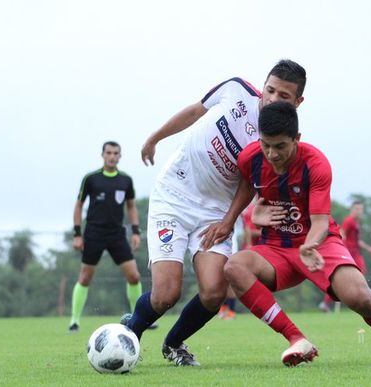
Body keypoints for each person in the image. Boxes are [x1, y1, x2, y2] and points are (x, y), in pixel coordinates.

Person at [201, 102, 371, 366]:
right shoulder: (250, 158)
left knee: (361, 299)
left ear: (297, 139)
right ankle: (296, 339)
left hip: (319, 244)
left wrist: (309, 246)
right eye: (266, 145)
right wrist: (233, 220)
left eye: (280, 146)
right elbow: (248, 186)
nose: (272, 154)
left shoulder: (316, 164)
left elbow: (320, 221)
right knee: (235, 267)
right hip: (275, 248)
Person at [123, 60, 307, 366]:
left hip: (214, 214)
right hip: (174, 197)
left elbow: (250, 183)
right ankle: (128, 334)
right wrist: (156, 137)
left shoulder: (281, 139)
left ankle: (173, 344)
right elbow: (196, 110)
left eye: (284, 97)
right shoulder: (235, 89)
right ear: (263, 85)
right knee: (165, 294)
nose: (272, 100)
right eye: (270, 90)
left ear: (298, 102)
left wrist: (228, 220)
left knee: (214, 292)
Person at [68, 141, 143, 332]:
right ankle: (74, 321)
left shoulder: (126, 180)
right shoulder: (91, 179)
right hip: (93, 233)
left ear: (120, 156)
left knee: (134, 276)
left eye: (115, 153)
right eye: (108, 152)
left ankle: (139, 318)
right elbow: (78, 206)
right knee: (85, 277)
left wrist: (135, 231)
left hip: (117, 234)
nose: (111, 156)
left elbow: (131, 206)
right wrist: (77, 234)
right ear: (102, 155)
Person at [319, 201, 371, 312]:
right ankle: (362, 301)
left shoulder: (356, 223)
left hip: (356, 253)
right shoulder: (349, 220)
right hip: (349, 253)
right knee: (351, 278)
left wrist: (370, 249)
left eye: (361, 209)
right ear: (351, 209)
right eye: (356, 209)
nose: (359, 211)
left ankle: (329, 303)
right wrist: (341, 249)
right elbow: (342, 233)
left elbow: (357, 241)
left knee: (358, 276)